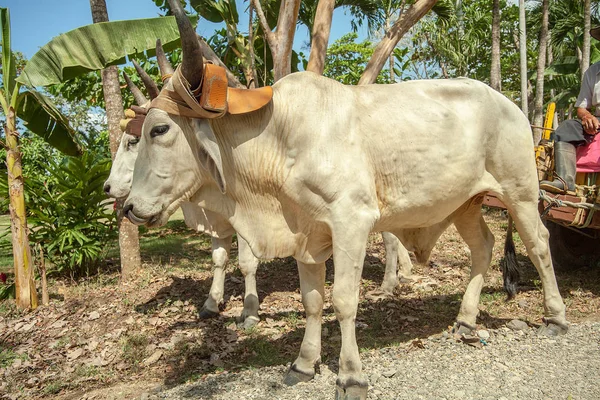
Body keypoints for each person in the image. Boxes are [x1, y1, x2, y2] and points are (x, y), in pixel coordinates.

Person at [539, 26, 600, 194]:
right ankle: (565, 180)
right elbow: (581, 106)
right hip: (598, 120)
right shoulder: (593, 72)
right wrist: (587, 117)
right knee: (566, 127)